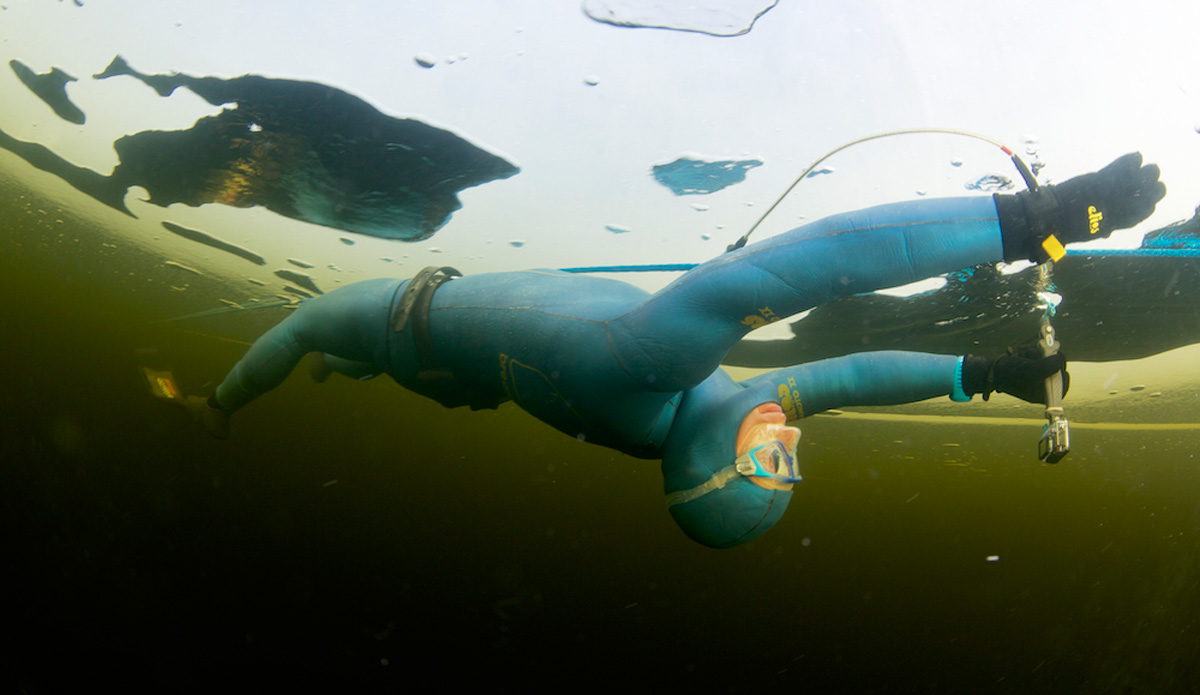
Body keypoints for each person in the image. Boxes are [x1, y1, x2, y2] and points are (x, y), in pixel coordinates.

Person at [178, 153, 1164, 548]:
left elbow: (801, 271)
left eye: (768, 456)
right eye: (788, 460)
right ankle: (342, 371)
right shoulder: (687, 415)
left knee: (311, 329)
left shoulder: (647, 365)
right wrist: (978, 375)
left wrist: (1029, 216)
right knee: (385, 371)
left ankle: (227, 396)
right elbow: (846, 376)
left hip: (408, 318)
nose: (786, 437)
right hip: (473, 379)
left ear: (715, 463)